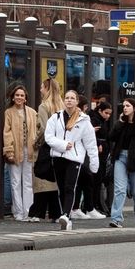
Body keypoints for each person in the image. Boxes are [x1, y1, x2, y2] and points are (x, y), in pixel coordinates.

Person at [44, 90, 100, 231]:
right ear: (64, 101)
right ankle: (66, 217)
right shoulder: (55, 118)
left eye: (72, 98)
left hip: (74, 158)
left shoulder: (83, 120)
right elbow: (48, 137)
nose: (69, 100)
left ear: (76, 102)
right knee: (61, 188)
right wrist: (63, 145)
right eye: (67, 98)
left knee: (70, 187)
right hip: (57, 157)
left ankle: (66, 215)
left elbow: (91, 144)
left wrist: (94, 162)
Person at [107, 97, 135, 228]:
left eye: (128, 106)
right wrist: (119, 123)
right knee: (119, 190)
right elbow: (111, 137)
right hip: (120, 157)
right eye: (124, 106)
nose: (125, 108)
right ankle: (116, 219)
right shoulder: (121, 124)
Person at [2, 83, 38, 222]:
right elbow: (7, 133)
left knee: (28, 181)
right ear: (13, 97)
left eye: (22, 95)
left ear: (26, 98)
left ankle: (28, 211)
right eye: (17, 95)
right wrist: (9, 150)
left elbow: (37, 129)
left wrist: (36, 145)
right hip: (15, 150)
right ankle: (17, 212)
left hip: (28, 149)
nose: (19, 97)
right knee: (15, 181)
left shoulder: (32, 112)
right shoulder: (9, 112)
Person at [30, 77, 64, 222]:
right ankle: (56, 212)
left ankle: (38, 212)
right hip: (59, 147)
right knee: (55, 180)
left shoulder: (44, 106)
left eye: (42, 87)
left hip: (46, 147)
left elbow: (43, 128)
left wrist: (36, 142)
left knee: (41, 179)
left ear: (47, 89)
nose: (40, 90)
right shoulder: (62, 106)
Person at [87, 100, 114, 217]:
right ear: (100, 111)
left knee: (99, 181)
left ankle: (97, 205)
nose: (108, 116)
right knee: (97, 181)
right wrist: (98, 143)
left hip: (102, 152)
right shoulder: (96, 120)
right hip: (99, 153)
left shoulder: (100, 120)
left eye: (109, 114)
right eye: (106, 113)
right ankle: (96, 205)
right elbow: (94, 135)